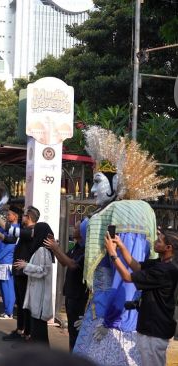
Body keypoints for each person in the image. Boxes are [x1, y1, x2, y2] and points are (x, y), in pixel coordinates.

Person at [73, 126, 166, 365]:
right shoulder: (107, 211)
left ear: (116, 183)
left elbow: (128, 278)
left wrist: (112, 320)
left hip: (116, 320)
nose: (92, 190)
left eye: (97, 182)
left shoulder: (128, 211)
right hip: (100, 312)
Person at [104, 228, 178, 366]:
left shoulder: (165, 270)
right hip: (151, 327)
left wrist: (113, 254)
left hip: (155, 330)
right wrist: (121, 245)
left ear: (168, 248)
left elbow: (127, 277)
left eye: (159, 241)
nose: (156, 242)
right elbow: (137, 266)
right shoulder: (161, 263)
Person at [43, 222, 89, 350]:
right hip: (70, 293)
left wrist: (56, 248)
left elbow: (73, 265)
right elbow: (64, 262)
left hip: (79, 296)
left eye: (76, 228)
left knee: (76, 330)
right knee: (72, 330)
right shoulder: (77, 246)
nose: (73, 229)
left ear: (82, 232)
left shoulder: (87, 249)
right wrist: (54, 248)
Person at [14, 222, 55, 346]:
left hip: (40, 298)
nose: (32, 233)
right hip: (37, 296)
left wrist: (26, 265)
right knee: (37, 331)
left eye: (35, 231)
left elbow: (43, 270)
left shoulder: (42, 250)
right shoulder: (40, 249)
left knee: (39, 332)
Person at [2, 206, 37, 342]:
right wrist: (0, 236)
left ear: (29, 218)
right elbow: (11, 239)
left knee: (24, 304)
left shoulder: (31, 231)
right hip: (18, 271)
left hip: (24, 273)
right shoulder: (25, 231)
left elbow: (10, 230)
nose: (22, 217)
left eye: (24, 216)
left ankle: (26, 333)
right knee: (21, 303)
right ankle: (20, 329)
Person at [0, 205, 21, 320]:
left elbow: (10, 247)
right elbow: (2, 243)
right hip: (2, 261)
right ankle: (7, 310)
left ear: (16, 216)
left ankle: (9, 312)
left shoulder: (15, 228)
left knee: (7, 287)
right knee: (3, 286)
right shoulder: (9, 228)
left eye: (9, 214)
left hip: (6, 262)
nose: (7, 215)